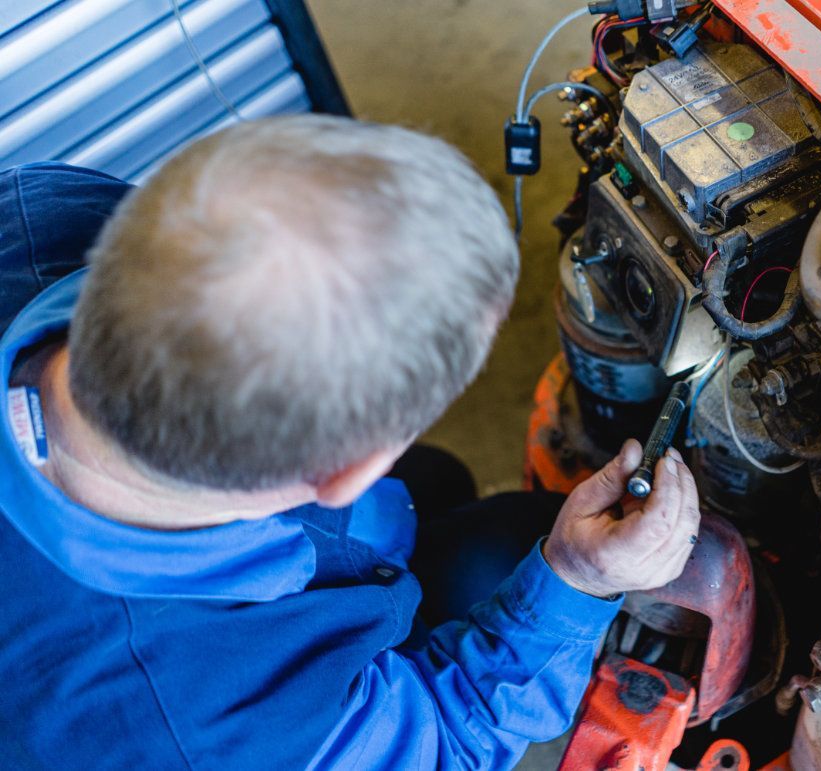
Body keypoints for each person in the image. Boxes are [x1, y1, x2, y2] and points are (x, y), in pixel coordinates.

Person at [0, 115, 701, 769]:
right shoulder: (213, 727)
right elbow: (445, 735)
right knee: (512, 542)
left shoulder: (38, 211)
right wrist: (580, 578)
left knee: (444, 485)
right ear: (343, 474)